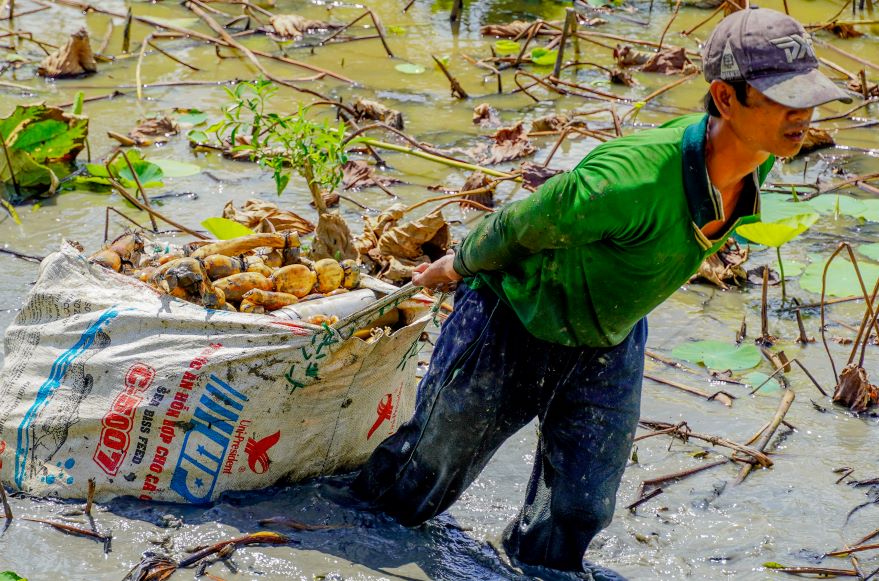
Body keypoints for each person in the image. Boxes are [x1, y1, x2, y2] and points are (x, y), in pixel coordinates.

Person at [346, 7, 852, 579]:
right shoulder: (628, 179)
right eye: (784, 97)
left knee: (579, 511)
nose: (803, 115)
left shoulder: (759, 159)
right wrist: (455, 265)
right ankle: (341, 529)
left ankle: (532, 565)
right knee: (424, 479)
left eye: (808, 96)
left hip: (610, 333)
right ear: (726, 98)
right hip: (517, 316)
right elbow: (522, 223)